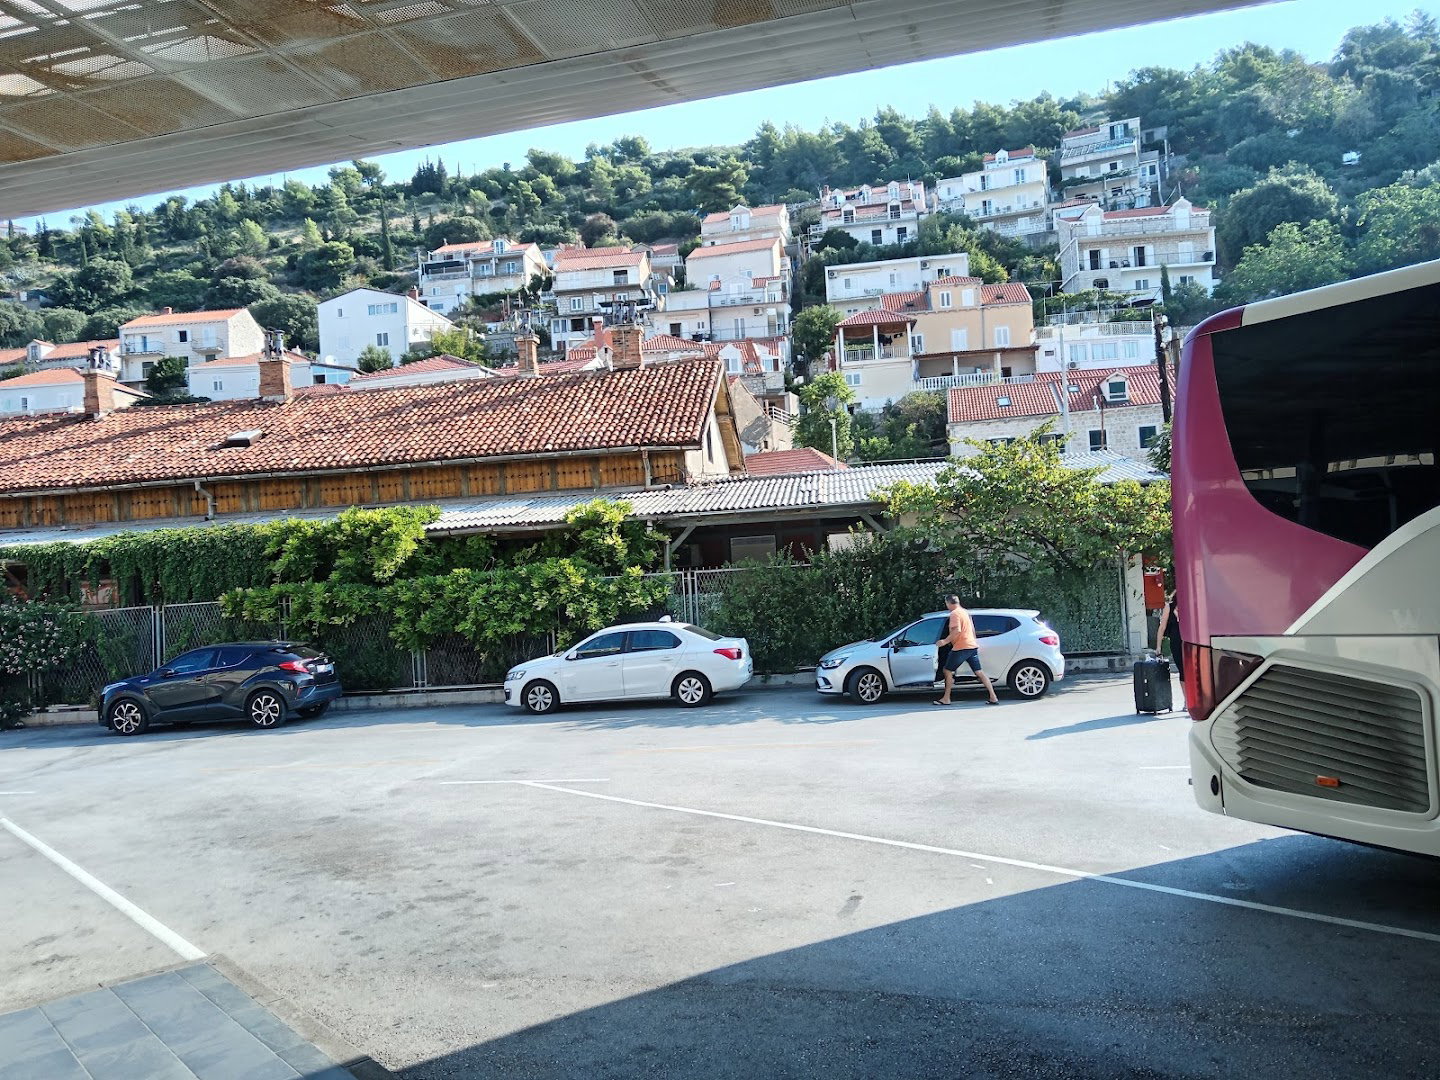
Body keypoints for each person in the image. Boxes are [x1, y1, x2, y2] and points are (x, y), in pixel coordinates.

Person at [935, 594, 999, 706]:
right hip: (971, 646)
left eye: (946, 604)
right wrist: (973, 641)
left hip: (961, 647)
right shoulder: (965, 612)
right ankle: (993, 697)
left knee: (947, 671)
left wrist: (944, 641)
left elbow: (957, 631)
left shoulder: (954, 614)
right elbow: (972, 629)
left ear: (948, 603)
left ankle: (946, 698)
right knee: (979, 672)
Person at [1156, 589, 1185, 680]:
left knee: (1189, 670)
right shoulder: (1169, 607)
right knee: (1182, 671)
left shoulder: (1189, 607)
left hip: (1188, 642)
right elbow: (1162, 627)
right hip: (1176, 643)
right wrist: (1158, 647)